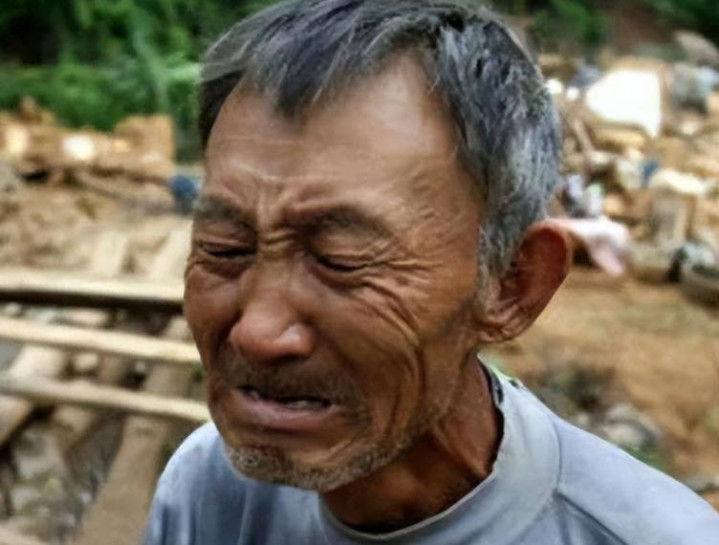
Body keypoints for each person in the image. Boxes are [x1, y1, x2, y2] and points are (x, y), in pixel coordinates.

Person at [144, 1, 719, 543]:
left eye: (340, 259)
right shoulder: (206, 492)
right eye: (224, 247)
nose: (257, 331)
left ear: (511, 284)